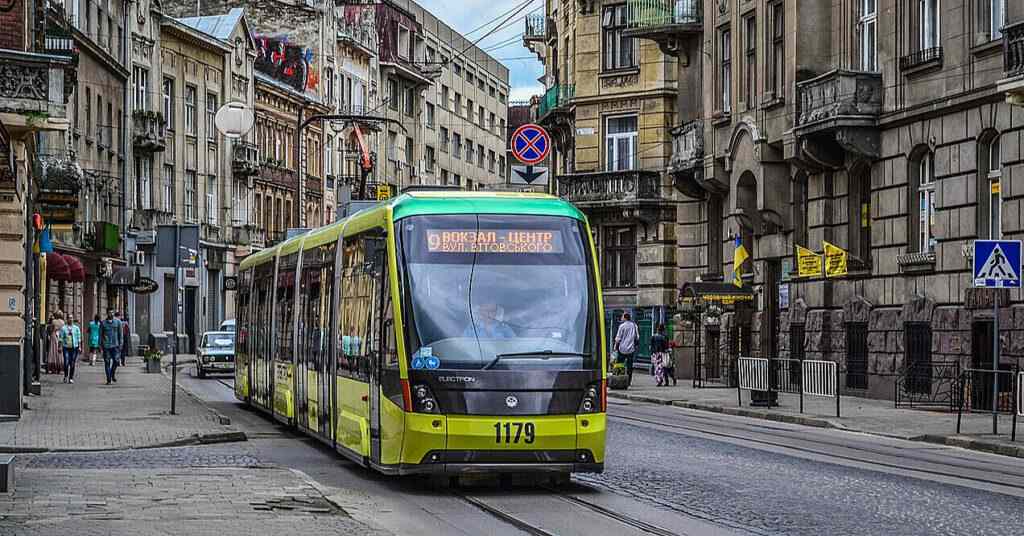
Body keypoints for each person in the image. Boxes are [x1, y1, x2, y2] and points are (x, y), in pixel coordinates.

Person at [613, 312, 639, 387]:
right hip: (631, 349)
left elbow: (618, 338)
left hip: (622, 348)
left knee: (619, 364)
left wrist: (615, 347)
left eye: (622, 317)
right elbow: (637, 337)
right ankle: (629, 381)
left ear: (625, 317)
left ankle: (619, 378)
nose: (621, 318)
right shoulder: (634, 325)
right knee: (630, 366)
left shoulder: (622, 326)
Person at [100, 309, 123, 385]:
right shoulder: (103, 323)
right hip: (106, 346)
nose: (111, 314)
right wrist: (100, 346)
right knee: (107, 362)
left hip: (115, 345)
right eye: (110, 312)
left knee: (116, 361)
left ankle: (112, 373)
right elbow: (100, 335)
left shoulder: (118, 322)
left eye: (112, 312)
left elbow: (120, 334)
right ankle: (108, 379)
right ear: (107, 313)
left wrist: (121, 344)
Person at [60, 316, 82, 383]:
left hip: (74, 347)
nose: (71, 319)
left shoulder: (76, 328)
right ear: (67, 319)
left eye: (72, 318)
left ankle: (71, 378)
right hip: (66, 347)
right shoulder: (63, 328)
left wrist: (80, 347)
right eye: (69, 318)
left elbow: (79, 338)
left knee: (72, 363)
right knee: (66, 362)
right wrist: (59, 346)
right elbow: (61, 338)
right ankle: (66, 376)